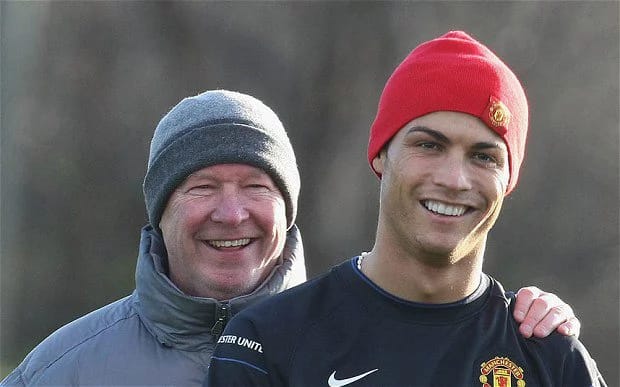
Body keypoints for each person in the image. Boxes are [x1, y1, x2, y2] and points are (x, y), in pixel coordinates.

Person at [2, 90, 578, 386]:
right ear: (158, 209)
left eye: (256, 185)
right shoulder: (63, 372)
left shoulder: (353, 332)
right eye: (201, 187)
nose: (232, 214)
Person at [205, 32, 606, 386]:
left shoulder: (550, 356)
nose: (454, 179)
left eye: (484, 157)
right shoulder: (270, 342)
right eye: (429, 145)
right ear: (380, 155)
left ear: (508, 180)